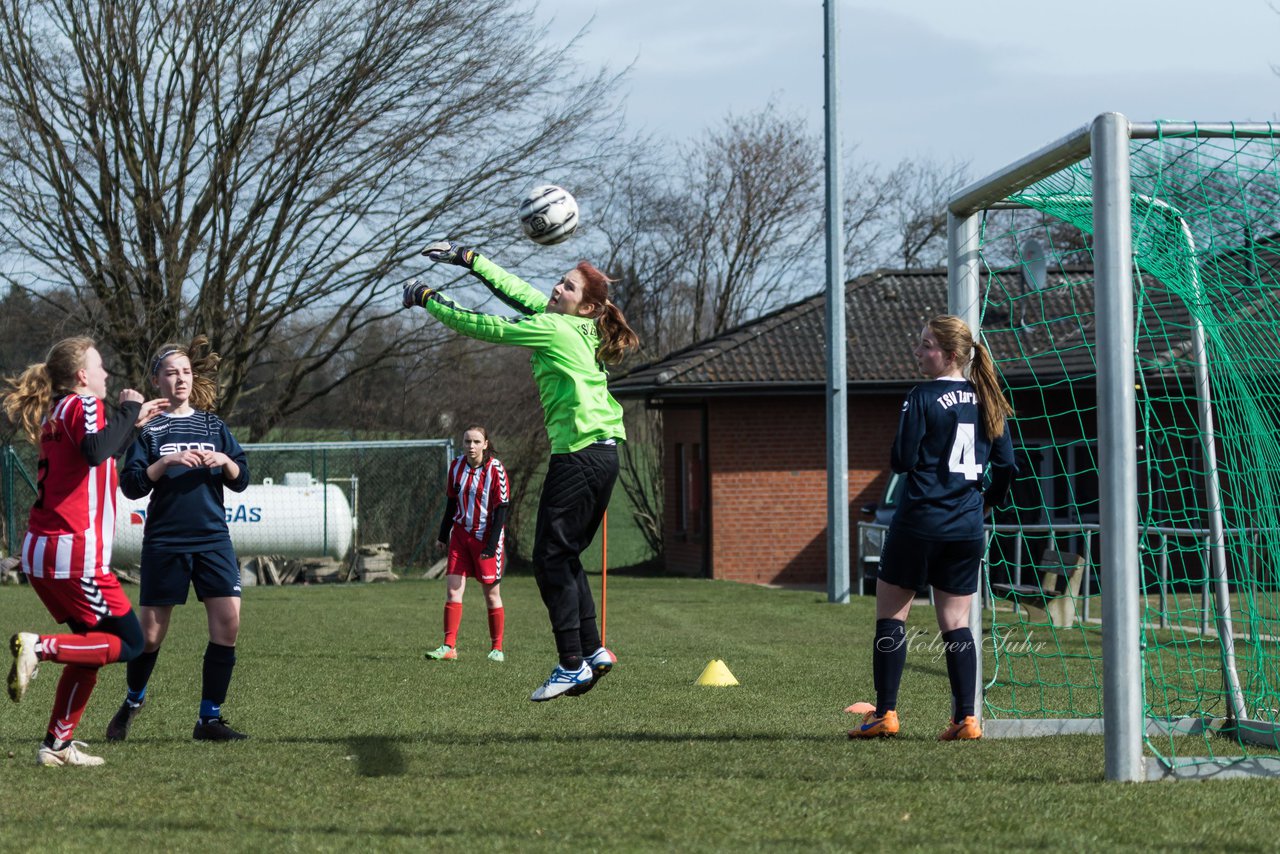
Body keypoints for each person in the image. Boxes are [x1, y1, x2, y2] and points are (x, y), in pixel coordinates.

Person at [403, 241, 639, 701]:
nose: (556, 287)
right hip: (604, 455)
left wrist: (428, 298)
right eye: (560, 279)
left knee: (551, 559)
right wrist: (469, 259)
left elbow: (486, 325)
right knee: (565, 555)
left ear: (586, 305)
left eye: (567, 285)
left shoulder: (554, 329)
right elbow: (517, 292)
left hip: (578, 457)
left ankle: (571, 664)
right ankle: (592, 651)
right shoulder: (582, 327)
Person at [848, 315, 1016, 742]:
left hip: (919, 521)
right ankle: (966, 718)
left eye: (926, 345)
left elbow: (902, 460)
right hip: (965, 527)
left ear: (952, 355)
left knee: (891, 615)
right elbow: (1008, 466)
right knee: (956, 622)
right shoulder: (988, 397)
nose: (918, 351)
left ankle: (884, 713)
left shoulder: (921, 396)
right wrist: (987, 502)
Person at [3, 337, 168, 766]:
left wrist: (132, 424)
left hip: (42, 551)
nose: (107, 375)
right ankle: (39, 648)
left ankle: (56, 745)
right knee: (132, 642)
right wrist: (130, 408)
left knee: (92, 646)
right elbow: (96, 452)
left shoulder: (57, 413)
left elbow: (97, 453)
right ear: (81, 376)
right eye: (100, 367)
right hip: (74, 553)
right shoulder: (85, 405)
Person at [107, 337, 251, 742]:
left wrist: (225, 462)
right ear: (157, 379)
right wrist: (165, 462)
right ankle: (134, 700)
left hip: (213, 540)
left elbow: (242, 479)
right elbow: (132, 486)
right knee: (150, 635)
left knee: (228, 624)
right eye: (171, 372)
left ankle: (209, 719)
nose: (180, 378)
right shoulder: (148, 428)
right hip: (165, 541)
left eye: (186, 371)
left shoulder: (213, 425)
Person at [425, 424, 510, 663]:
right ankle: (448, 646)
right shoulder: (456, 467)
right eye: (466, 442)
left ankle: (497, 648)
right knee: (453, 589)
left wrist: (492, 546)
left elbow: (502, 509)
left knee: (492, 595)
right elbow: (451, 504)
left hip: (486, 538)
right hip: (460, 536)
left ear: (485, 444)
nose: (471, 446)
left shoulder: (496, 470)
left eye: (475, 442)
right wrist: (443, 535)